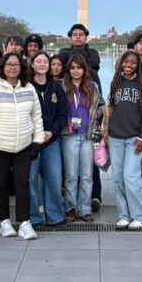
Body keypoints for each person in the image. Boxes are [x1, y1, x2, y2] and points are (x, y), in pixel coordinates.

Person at [0, 52, 45, 240]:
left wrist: (37, 141)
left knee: (23, 183)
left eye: (16, 64)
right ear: (2, 67)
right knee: (0, 184)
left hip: (24, 145)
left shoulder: (29, 88)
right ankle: (4, 222)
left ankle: (25, 223)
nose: (12, 67)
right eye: (9, 64)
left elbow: (36, 117)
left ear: (21, 68)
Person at [107, 50, 142, 230]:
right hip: (115, 137)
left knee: (131, 177)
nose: (128, 65)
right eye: (125, 62)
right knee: (118, 178)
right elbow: (112, 109)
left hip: (135, 138)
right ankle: (125, 215)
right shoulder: (116, 82)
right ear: (121, 63)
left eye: (132, 63)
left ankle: (141, 216)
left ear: (138, 65)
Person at [61, 54, 103, 222]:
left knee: (86, 174)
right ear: (68, 70)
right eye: (72, 68)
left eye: (79, 67)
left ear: (84, 69)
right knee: (71, 174)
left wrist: (96, 116)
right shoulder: (62, 86)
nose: (76, 71)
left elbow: (101, 107)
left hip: (87, 135)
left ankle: (85, 208)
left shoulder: (92, 86)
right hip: (69, 135)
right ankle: (70, 208)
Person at [29, 51, 66, 228]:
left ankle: (55, 216)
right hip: (30, 141)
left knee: (54, 177)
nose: (42, 64)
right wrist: (35, 133)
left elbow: (63, 114)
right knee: (31, 179)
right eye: (39, 61)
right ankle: (34, 217)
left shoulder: (56, 87)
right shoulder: (26, 87)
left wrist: (52, 132)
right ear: (32, 64)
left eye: (45, 61)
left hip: (51, 141)